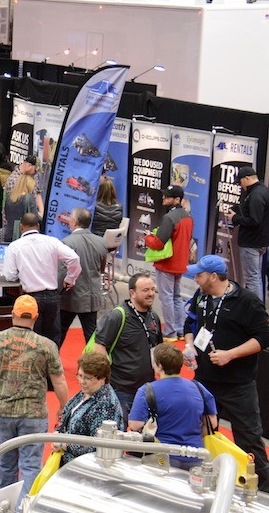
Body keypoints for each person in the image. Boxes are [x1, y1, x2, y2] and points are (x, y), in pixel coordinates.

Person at [0, 295, 68, 507]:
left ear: (13, 314)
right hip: (34, 414)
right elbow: (59, 380)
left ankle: (4, 507)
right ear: (35, 317)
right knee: (31, 466)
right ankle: (25, 508)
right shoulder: (46, 345)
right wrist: (64, 407)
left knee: (6, 463)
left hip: (4, 411)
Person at [183, 254, 269, 490]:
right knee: (200, 432)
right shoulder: (201, 296)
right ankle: (201, 479)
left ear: (213, 276)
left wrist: (230, 354)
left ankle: (263, 488)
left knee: (249, 437)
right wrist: (189, 346)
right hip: (204, 382)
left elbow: (263, 338)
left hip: (238, 385)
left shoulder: (248, 301)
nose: (195, 278)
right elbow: (190, 324)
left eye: (199, 275)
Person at [129, 343, 217, 470]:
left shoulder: (147, 390)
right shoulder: (198, 387)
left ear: (159, 366)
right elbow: (212, 423)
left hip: (161, 455)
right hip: (195, 454)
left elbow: (135, 425)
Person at [2, 213, 80, 346]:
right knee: (52, 339)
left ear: (21, 227)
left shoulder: (14, 246)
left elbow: (10, 276)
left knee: (31, 340)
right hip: (52, 296)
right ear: (38, 226)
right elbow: (74, 258)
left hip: (31, 298)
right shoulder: (52, 241)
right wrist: (70, 279)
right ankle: (53, 359)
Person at [93, 273, 163, 415]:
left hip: (148, 388)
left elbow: (158, 348)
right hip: (121, 390)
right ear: (132, 293)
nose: (151, 294)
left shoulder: (154, 317)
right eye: (145, 290)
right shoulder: (118, 316)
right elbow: (98, 347)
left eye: (152, 289)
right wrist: (105, 381)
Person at [53, 353, 124, 466]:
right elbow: (68, 417)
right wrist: (58, 432)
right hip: (70, 464)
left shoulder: (106, 405)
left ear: (102, 378)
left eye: (87, 378)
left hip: (86, 468)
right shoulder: (87, 392)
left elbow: (97, 446)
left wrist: (64, 445)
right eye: (80, 375)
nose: (82, 381)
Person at [144, 185, 192, 342]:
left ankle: (170, 332)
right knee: (176, 297)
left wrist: (148, 237)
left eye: (167, 196)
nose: (163, 198)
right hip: (180, 263)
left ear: (177, 199)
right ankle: (181, 330)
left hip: (167, 263)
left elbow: (158, 243)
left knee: (167, 298)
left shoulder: (169, 217)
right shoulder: (187, 216)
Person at [59, 207, 109, 345]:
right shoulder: (101, 242)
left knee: (60, 332)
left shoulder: (67, 242)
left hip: (70, 297)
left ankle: (53, 358)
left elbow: (62, 272)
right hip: (92, 297)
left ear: (74, 221)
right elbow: (102, 267)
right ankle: (95, 359)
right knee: (91, 336)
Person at [225, 166, 269, 300]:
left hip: (251, 242)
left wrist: (235, 218)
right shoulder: (264, 191)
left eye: (240, 182)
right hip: (260, 241)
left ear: (247, 179)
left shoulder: (255, 195)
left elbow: (254, 220)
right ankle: (257, 307)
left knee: (252, 278)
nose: (240, 185)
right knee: (255, 277)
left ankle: (256, 309)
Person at [2, 156, 39, 232]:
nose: (35, 173)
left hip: (12, 229)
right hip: (21, 229)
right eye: (35, 170)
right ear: (29, 167)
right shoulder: (14, 181)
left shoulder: (28, 176)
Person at [3, 174, 43, 242]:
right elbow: (35, 217)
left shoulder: (9, 198)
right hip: (23, 234)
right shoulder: (29, 198)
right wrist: (42, 215)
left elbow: (6, 216)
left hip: (9, 233)